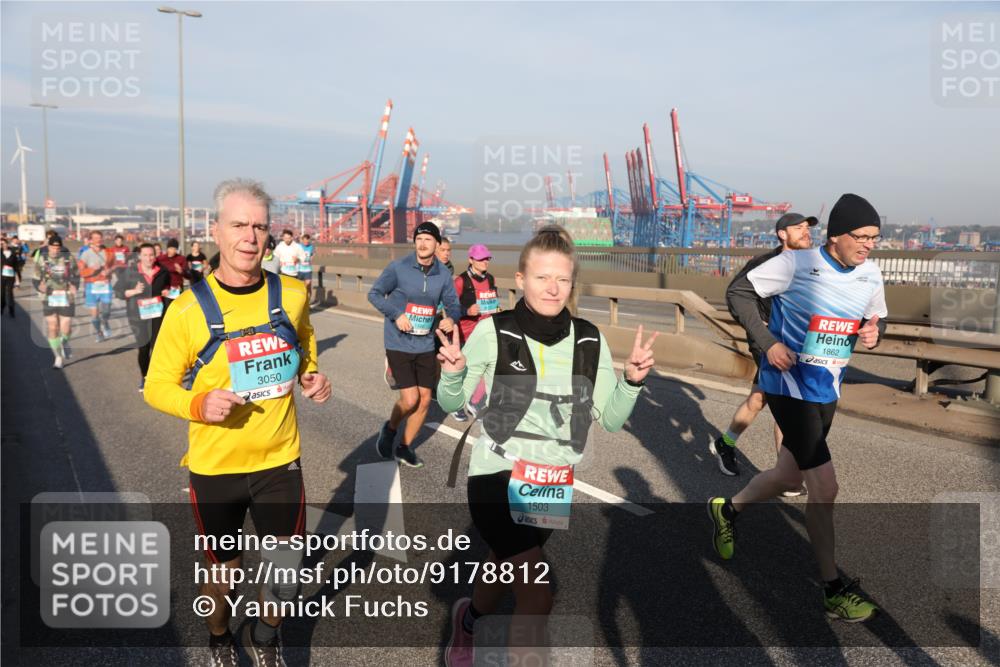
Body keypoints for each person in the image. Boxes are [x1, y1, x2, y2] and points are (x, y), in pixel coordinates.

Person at [438, 225, 658, 667]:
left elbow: (611, 419)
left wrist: (632, 382)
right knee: (538, 596)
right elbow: (452, 402)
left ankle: (469, 618)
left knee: (503, 560)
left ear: (572, 282)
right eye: (542, 277)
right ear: (520, 279)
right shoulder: (494, 330)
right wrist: (454, 371)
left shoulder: (590, 340)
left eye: (562, 278)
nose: (552, 287)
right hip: (496, 473)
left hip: (551, 481)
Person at [144, 178, 330, 666]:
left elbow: (303, 341)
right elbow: (156, 385)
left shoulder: (290, 294)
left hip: (279, 461)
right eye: (238, 225)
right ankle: (220, 635)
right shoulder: (187, 310)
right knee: (224, 571)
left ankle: (266, 634)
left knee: (285, 573)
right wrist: (197, 404)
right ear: (216, 231)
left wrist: (311, 375)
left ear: (270, 234)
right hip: (216, 468)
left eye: (259, 226)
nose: (250, 236)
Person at [709, 193, 888, 623]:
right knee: (824, 488)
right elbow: (738, 292)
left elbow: (877, 319)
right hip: (788, 385)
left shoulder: (870, 273)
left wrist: (872, 333)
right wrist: (768, 344)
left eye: (875, 238)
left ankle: (727, 509)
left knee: (789, 474)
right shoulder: (797, 264)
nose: (867, 245)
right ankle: (832, 590)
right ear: (836, 236)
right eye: (860, 237)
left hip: (826, 388)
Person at [712, 212, 816, 483]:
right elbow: (735, 295)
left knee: (759, 399)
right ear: (782, 234)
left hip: (796, 343)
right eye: (799, 228)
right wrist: (763, 333)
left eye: (808, 228)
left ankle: (726, 442)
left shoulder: (813, 263)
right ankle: (787, 474)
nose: (806, 232)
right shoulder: (765, 263)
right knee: (788, 403)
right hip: (768, 343)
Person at [368, 221, 460, 469]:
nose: (422, 243)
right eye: (419, 239)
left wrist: (452, 318)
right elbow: (374, 294)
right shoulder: (398, 268)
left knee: (426, 400)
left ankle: (405, 446)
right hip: (398, 341)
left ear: (437, 244)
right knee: (410, 400)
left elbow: (453, 304)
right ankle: (389, 429)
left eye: (428, 239)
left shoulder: (443, 274)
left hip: (425, 343)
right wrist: (397, 314)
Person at [450, 244, 500, 421]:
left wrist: (497, 309)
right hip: (466, 332)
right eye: (481, 259)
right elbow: (451, 307)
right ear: (471, 260)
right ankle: (456, 405)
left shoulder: (491, 279)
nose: (485, 262)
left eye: (487, 258)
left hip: (485, 331)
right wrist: (466, 311)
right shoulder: (461, 281)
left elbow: (493, 301)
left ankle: (475, 402)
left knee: (487, 367)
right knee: (463, 371)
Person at [115, 243, 171, 392]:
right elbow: (118, 291)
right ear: (139, 256)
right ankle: (145, 376)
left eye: (151, 255)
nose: (149, 258)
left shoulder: (163, 271)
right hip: (137, 316)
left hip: (158, 315)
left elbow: (167, 286)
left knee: (157, 347)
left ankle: (156, 377)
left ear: (155, 255)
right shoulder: (130, 272)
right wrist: (134, 291)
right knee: (144, 348)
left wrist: (166, 291)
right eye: (145, 255)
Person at [37, 236, 80, 368]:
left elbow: (77, 275)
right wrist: (39, 286)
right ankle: (58, 357)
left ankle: (65, 342)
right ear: (48, 247)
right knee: (52, 327)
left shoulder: (68, 258)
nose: (55, 250)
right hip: (48, 297)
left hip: (66, 296)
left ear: (60, 247)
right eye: (53, 247)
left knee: (66, 329)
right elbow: (35, 278)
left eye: (58, 248)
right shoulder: (42, 259)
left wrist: (74, 286)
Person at [78, 230, 114, 342]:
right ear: (90, 240)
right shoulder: (86, 254)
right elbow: (81, 272)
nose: (98, 240)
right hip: (91, 286)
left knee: (106, 311)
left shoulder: (108, 252)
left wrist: (109, 271)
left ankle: (106, 322)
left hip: (105, 285)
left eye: (100, 237)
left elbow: (115, 265)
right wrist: (93, 269)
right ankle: (99, 333)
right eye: (95, 238)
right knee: (94, 314)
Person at [157, 238, 188, 307]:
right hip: (165, 289)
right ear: (167, 248)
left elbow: (188, 275)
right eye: (170, 248)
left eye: (174, 249)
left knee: (177, 309)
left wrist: (181, 271)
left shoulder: (181, 259)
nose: (172, 251)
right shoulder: (161, 259)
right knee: (165, 310)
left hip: (177, 289)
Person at [1, 238, 20, 317]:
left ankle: (11, 310)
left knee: (9, 293)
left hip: (10, 276)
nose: (1, 245)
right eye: (0, 244)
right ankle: (1, 308)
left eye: (3, 243)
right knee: (2, 293)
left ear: (7, 244)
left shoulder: (12, 253)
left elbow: (16, 266)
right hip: (1, 276)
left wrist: (18, 279)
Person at [298, 233, 316, 302]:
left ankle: (308, 302)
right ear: (302, 240)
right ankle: (301, 301)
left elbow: (313, 253)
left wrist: (311, 258)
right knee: (300, 286)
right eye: (304, 240)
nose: (306, 242)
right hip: (299, 269)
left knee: (308, 285)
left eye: (307, 241)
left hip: (308, 269)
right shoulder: (299, 246)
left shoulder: (311, 247)